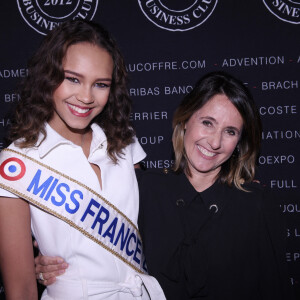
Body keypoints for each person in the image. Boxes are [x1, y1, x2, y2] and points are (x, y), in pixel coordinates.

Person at [34, 72, 294, 299]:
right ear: (185, 120)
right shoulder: (141, 191)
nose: (215, 142)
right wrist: (51, 264)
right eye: (207, 123)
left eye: (230, 131)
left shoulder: (256, 204)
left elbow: (275, 290)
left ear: (240, 142)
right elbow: (93, 259)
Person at [0, 20, 165, 300]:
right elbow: (21, 289)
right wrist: (36, 270)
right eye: (73, 79)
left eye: (100, 84)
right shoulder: (17, 163)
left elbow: (157, 223)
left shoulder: (124, 142)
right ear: (48, 76)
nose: (86, 97)